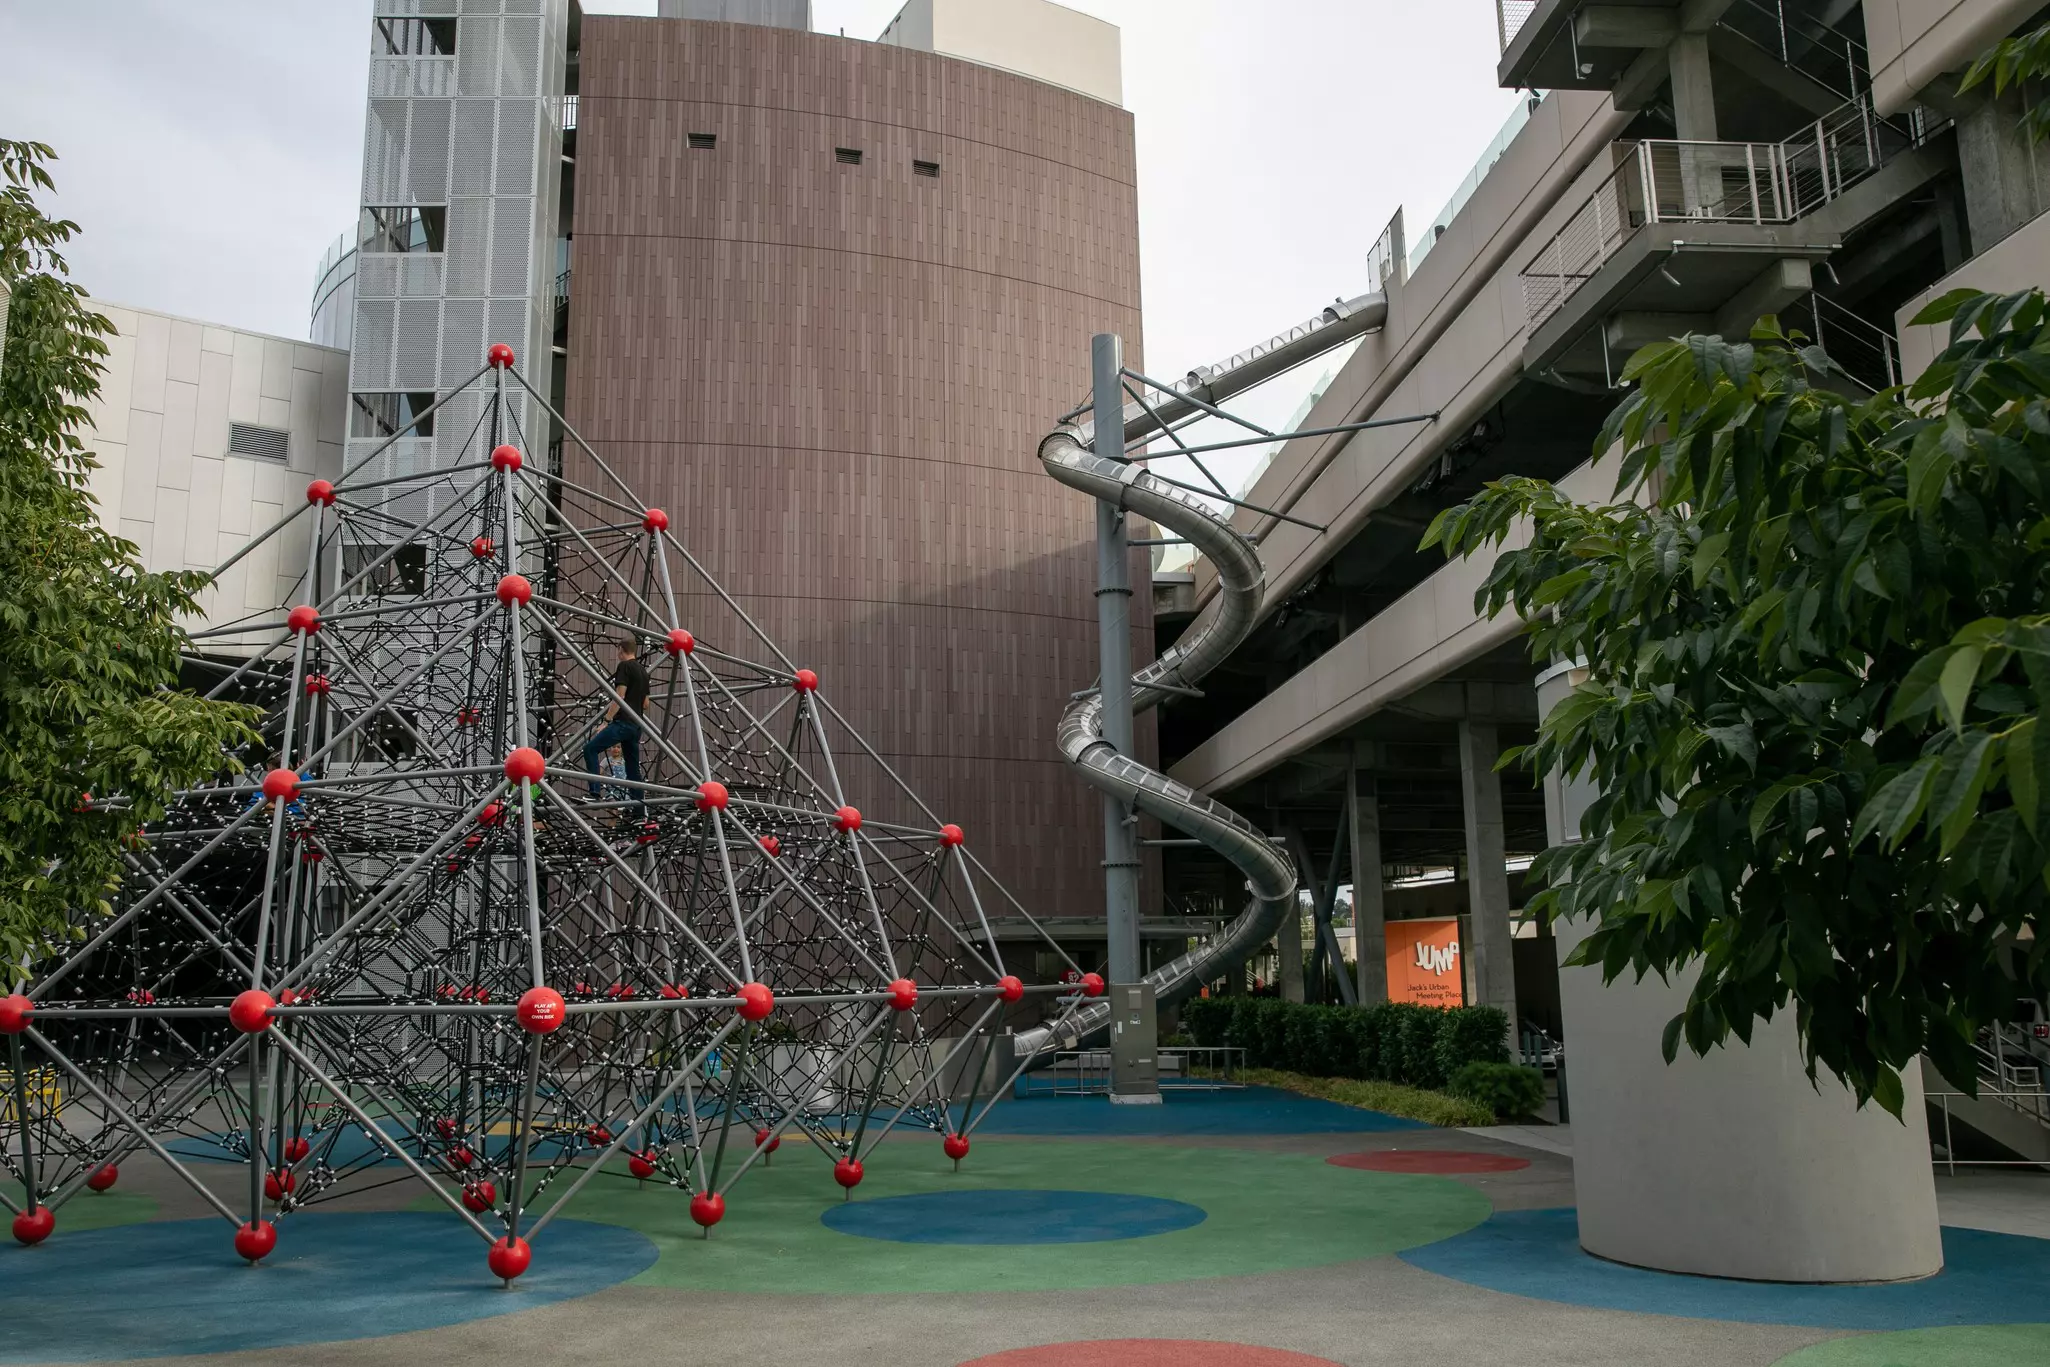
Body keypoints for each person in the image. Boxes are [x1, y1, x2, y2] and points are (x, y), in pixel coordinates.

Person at [584, 637, 650, 804]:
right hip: (636, 726)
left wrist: (606, 721)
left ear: (621, 649)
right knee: (633, 769)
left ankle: (594, 792)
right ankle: (638, 810)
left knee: (590, 749)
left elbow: (619, 696)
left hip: (623, 723)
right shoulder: (643, 672)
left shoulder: (624, 666)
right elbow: (646, 704)